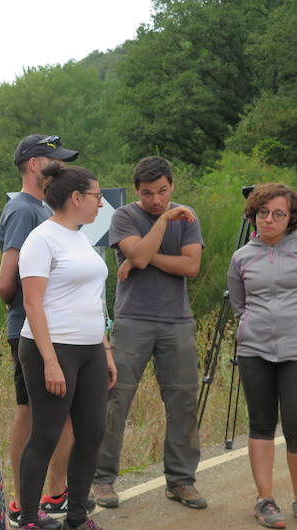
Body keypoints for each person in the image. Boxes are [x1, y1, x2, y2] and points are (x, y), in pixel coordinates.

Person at [15, 161, 122, 530]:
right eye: (96, 196)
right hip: (52, 348)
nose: (100, 203)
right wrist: (49, 361)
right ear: (76, 198)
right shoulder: (41, 239)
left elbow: (93, 299)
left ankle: (77, 520)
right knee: (44, 435)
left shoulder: (81, 239)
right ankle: (28, 522)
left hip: (90, 349)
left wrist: (105, 349)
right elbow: (32, 303)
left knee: (92, 432)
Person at [92, 156, 207, 510]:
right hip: (133, 320)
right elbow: (137, 258)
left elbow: (190, 266)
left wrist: (143, 254)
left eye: (162, 192)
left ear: (172, 185)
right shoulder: (124, 216)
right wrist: (161, 226)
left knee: (183, 401)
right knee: (116, 399)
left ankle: (181, 481)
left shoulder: (188, 217)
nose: (156, 200)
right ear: (137, 191)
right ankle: (103, 480)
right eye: (147, 193)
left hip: (177, 320)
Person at [0, 134, 84, 530]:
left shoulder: (41, 209)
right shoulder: (23, 210)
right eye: (54, 161)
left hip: (54, 330)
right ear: (34, 164)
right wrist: (26, 308)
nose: (61, 167)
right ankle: (21, 503)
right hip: (31, 330)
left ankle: (53, 494)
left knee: (56, 416)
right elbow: (5, 281)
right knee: (30, 416)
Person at [227, 183, 297, 528]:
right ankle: (265, 500)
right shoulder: (242, 257)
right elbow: (239, 305)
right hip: (255, 350)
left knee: (296, 426)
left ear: (290, 217)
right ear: (253, 215)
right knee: (261, 423)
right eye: (262, 213)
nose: (269, 219)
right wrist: (251, 327)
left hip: (295, 351)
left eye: (278, 214)